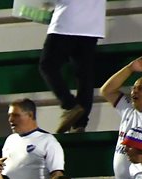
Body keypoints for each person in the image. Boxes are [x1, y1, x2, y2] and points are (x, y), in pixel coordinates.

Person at [39, 0, 106, 133]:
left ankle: (71, 105)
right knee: (84, 76)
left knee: (47, 65)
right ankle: (79, 123)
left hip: (67, 20)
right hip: (91, 25)